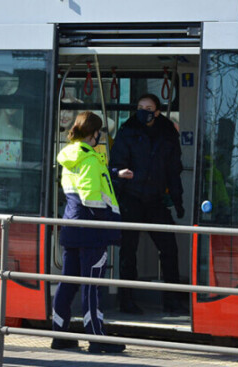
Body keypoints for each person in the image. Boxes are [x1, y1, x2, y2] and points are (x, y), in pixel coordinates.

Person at [52, 111, 127, 354]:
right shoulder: (90, 159)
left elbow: (90, 180)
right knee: (92, 285)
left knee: (69, 283)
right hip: (91, 231)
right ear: (94, 133)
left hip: (72, 228)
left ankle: (59, 334)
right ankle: (97, 337)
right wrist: (107, 224)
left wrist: (115, 173)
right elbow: (90, 195)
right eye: (99, 132)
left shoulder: (72, 155)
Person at [109, 93, 187, 315]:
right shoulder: (127, 132)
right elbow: (117, 165)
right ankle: (127, 300)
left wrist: (177, 200)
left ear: (157, 111)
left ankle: (172, 300)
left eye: (148, 107)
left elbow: (174, 170)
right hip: (131, 198)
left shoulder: (168, 133)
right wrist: (117, 202)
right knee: (128, 252)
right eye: (140, 106)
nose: (144, 110)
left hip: (155, 200)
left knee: (170, 249)